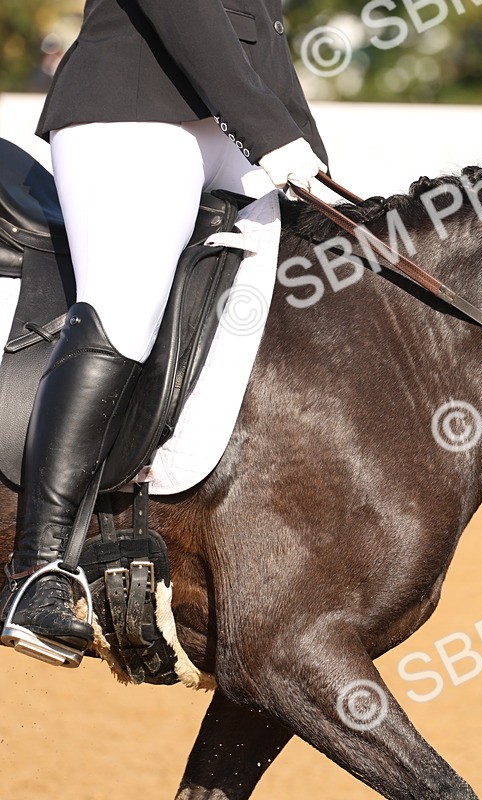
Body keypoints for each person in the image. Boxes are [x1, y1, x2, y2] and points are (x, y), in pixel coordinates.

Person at [0, 0, 328, 664]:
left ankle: (194, 528)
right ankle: (40, 572)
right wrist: (269, 128)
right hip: (132, 109)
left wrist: (307, 146)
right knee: (125, 307)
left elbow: (260, 24)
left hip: (228, 125)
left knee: (308, 293)